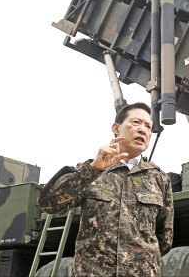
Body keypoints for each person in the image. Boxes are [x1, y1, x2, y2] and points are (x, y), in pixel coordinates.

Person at [38, 103, 174, 276]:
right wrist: (93, 170)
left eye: (148, 127)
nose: (143, 130)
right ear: (116, 128)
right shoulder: (92, 171)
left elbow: (165, 238)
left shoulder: (160, 179)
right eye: (136, 122)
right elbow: (48, 203)